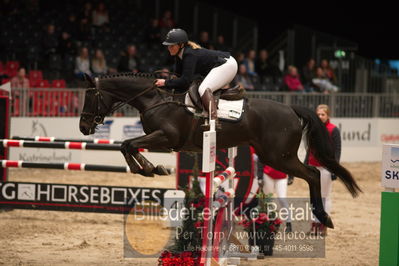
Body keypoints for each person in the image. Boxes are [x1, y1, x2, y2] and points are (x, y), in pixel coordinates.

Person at [154, 28, 238, 129]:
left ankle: (214, 121)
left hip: (227, 65)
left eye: (172, 46)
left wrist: (165, 82)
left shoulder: (190, 54)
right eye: (168, 46)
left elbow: (185, 81)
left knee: (203, 88)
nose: (169, 48)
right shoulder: (179, 55)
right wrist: (170, 81)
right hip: (222, 64)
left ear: (181, 45)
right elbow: (178, 75)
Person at [306, 104, 341, 236]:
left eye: (323, 114)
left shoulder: (333, 130)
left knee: (325, 197)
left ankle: (323, 225)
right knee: (314, 198)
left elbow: (337, 151)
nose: (320, 117)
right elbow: (309, 149)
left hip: (326, 168)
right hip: (313, 167)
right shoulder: (312, 129)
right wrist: (305, 165)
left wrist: (335, 169)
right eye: (318, 114)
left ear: (328, 116)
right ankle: (313, 225)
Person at [258, 163, 292, 233]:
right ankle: (270, 223)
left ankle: (288, 223)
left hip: (282, 175)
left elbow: (290, 159)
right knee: (268, 200)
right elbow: (261, 159)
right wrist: (260, 176)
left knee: (282, 199)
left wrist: (291, 176)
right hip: (268, 174)